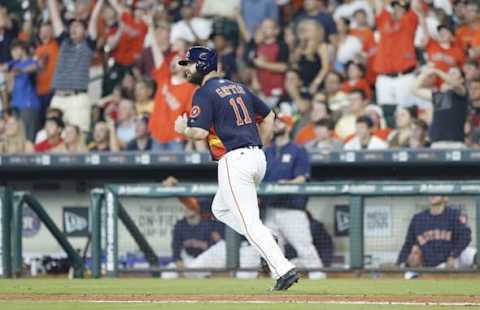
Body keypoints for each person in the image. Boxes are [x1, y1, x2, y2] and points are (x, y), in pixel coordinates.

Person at [174, 46, 299, 290]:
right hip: (256, 158)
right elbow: (270, 116)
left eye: (188, 64)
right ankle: (267, 237)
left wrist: (183, 130)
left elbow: (198, 132)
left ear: (201, 65)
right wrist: (259, 144)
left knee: (249, 222)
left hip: (235, 161)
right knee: (219, 209)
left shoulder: (204, 92)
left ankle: (283, 268)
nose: (186, 70)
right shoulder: (238, 87)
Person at [263, 113, 326, 279]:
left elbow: (302, 178)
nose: (276, 125)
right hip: (270, 209)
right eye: (275, 123)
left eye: (280, 123)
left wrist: (286, 184)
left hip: (292, 210)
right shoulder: (267, 151)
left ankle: (320, 280)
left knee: (305, 248)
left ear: (289, 127)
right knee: (273, 252)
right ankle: (278, 283)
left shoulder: (297, 150)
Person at [47, 0, 104, 132]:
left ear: (86, 31)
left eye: (78, 26)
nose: (73, 27)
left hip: (77, 98)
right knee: (53, 137)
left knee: (79, 135)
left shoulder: (88, 45)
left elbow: (94, 17)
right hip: (58, 97)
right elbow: (55, 15)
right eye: (72, 25)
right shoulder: (63, 42)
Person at [147, 17, 197, 152]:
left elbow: (191, 118)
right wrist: (151, 27)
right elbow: (155, 49)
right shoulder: (164, 77)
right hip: (157, 137)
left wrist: (190, 142)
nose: (173, 62)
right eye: (172, 60)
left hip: (177, 138)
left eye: (178, 60)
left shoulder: (190, 89)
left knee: (177, 173)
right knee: (155, 173)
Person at [397, 196, 477, 269]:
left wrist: (453, 255)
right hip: (435, 265)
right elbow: (408, 244)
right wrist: (399, 263)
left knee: (471, 253)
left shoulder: (454, 215)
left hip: (454, 258)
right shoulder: (418, 218)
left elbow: (466, 236)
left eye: (437, 192)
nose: (432, 194)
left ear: (445, 197)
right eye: (430, 192)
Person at [162, 206, 225, 279]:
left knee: (194, 270)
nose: (186, 209)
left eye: (189, 207)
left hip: (205, 261)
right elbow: (176, 248)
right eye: (185, 207)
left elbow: (215, 250)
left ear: (197, 209)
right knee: (166, 274)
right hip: (188, 260)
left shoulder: (209, 225)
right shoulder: (180, 225)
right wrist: (178, 262)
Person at [414, 66, 468, 148]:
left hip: (455, 144)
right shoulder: (440, 96)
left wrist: (437, 71)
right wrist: (425, 73)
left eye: (453, 73)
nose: (449, 75)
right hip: (437, 143)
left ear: (461, 80)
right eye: (448, 73)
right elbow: (414, 90)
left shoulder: (462, 92)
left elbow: (454, 84)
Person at [0, 40, 40, 142]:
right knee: (15, 137)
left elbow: (35, 67)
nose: (12, 54)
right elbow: (3, 67)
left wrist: (21, 70)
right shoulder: (13, 63)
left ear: (22, 50)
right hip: (15, 106)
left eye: (14, 50)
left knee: (28, 138)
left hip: (28, 105)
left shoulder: (32, 61)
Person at [35, 23, 59, 127]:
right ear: (39, 35)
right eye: (42, 32)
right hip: (40, 92)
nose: (45, 34)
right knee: (41, 122)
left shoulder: (57, 46)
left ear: (53, 33)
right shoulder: (37, 50)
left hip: (53, 90)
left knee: (54, 120)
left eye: (47, 31)